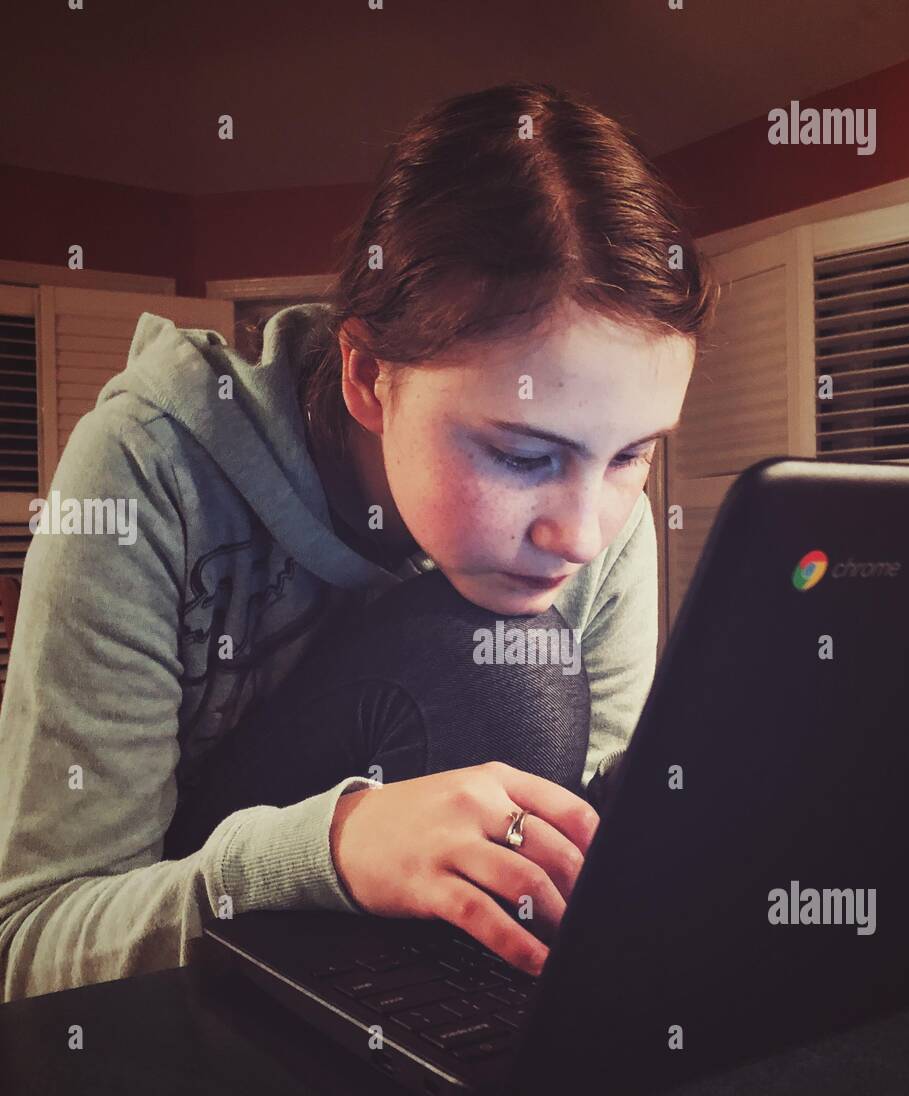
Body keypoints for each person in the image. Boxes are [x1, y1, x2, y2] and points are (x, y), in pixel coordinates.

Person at [0, 81, 717, 1002]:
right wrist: (331, 850)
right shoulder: (153, 466)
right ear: (369, 375)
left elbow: (573, 864)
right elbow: (30, 942)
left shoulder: (592, 522)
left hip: (424, 1007)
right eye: (522, 455)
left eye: (631, 457)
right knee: (519, 669)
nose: (581, 534)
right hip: (192, 993)